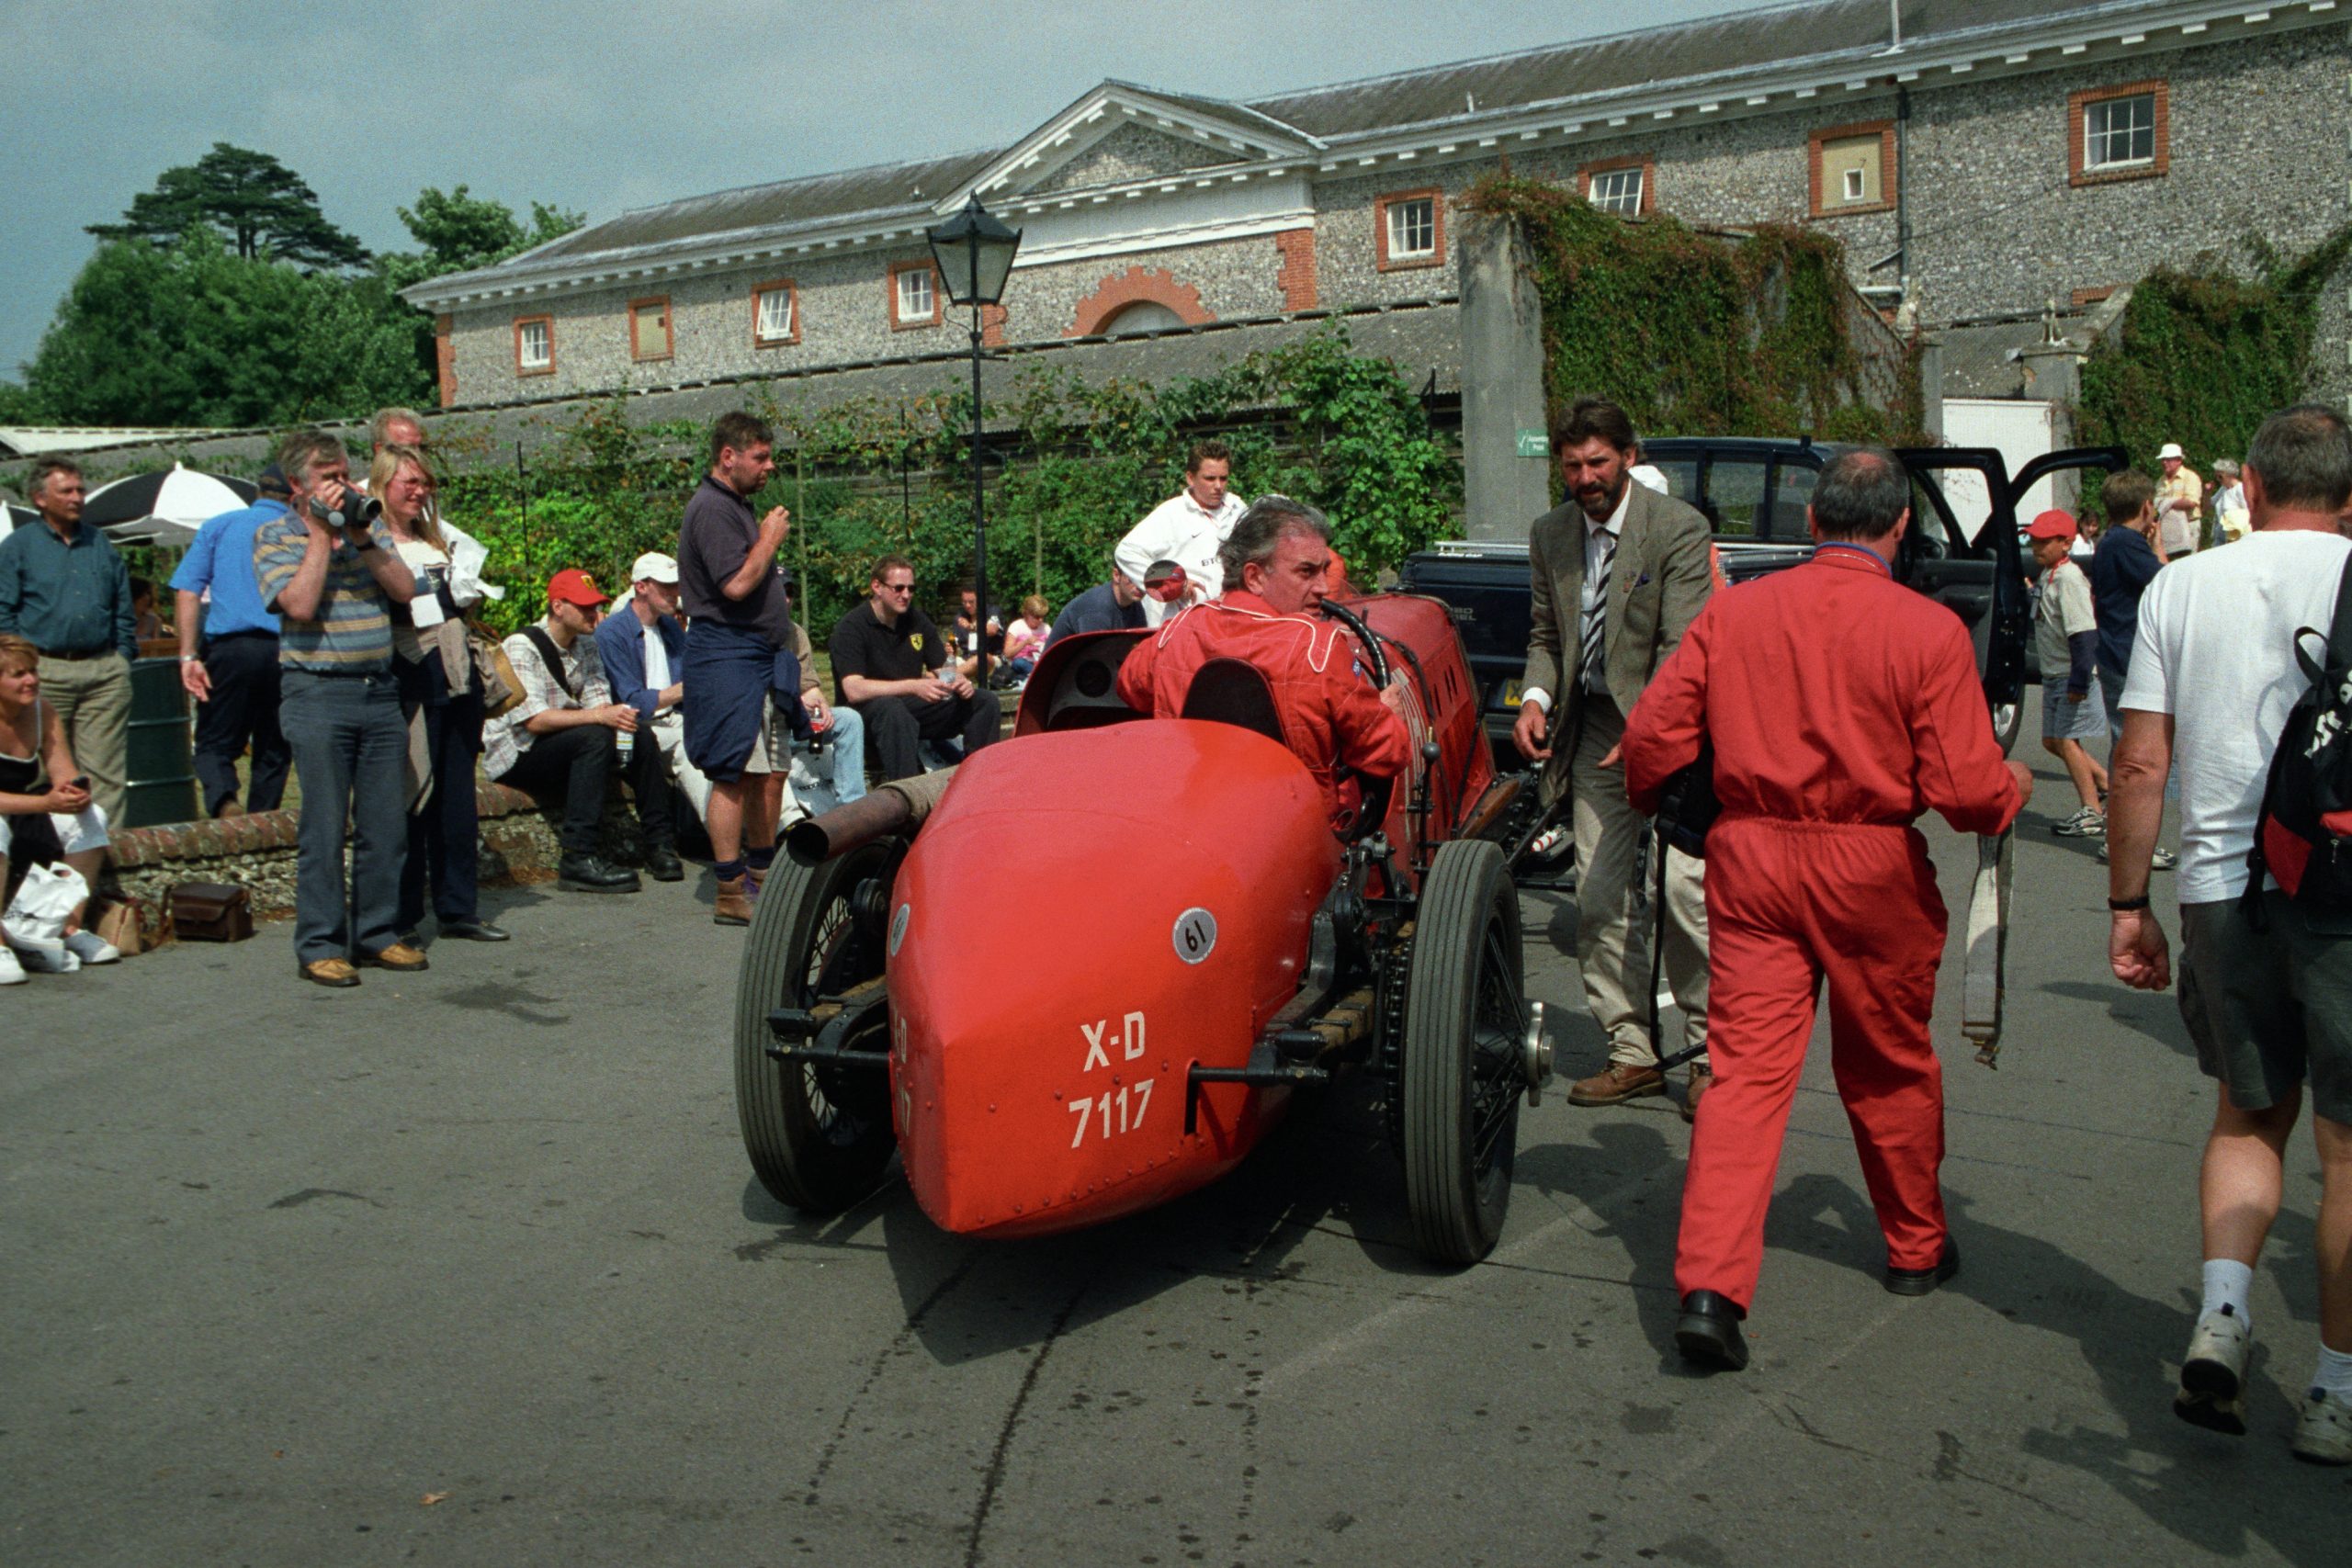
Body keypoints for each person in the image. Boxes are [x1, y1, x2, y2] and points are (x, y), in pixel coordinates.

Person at [1621, 446, 2034, 1371]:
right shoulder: (1928, 631)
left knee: (1745, 1077)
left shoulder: (1735, 614)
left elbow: (1650, 738)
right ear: (1897, 529)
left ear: (1811, 522)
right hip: (1870, 862)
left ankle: (1709, 1289)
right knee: (1886, 1063)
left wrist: (1661, 801)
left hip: (1753, 858)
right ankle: (1914, 1245)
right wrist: (2008, 789)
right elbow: (1965, 792)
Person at [2107, 404, 2352, 1465]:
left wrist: (2128, 904)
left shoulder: (2181, 585)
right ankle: (2337, 1390)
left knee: (2247, 1115)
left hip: (2217, 887)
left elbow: (2140, 764)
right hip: (2343, 894)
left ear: (2246, 487)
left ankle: (2221, 1315)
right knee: (2347, 1150)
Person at [1511, 397, 1716, 1120]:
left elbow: (1683, 646)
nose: (1585, 477)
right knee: (1598, 897)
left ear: (1629, 455)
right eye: (1571, 466)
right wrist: (1535, 698)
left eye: (1598, 461)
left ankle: (1706, 1056)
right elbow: (1545, 633)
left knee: (1683, 899)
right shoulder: (1550, 535)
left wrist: (1654, 733)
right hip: (1595, 727)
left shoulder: (1677, 529)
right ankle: (1632, 1051)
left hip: (1679, 726)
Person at [1115, 497, 1408, 828]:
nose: (1324, 587)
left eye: (1324, 570)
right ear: (1254, 577)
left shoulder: (1176, 632)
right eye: (1306, 572)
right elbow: (1387, 756)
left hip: (1187, 826)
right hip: (1298, 838)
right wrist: (1386, 712)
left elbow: (1129, 686)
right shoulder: (1319, 650)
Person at [252, 430, 424, 988]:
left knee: (385, 824)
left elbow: (404, 590)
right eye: (329, 477)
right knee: (324, 827)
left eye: (344, 473)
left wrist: (363, 537)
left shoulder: (368, 527)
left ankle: (376, 933)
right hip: (317, 691)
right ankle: (320, 943)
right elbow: (298, 604)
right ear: (299, 484)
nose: (342, 485)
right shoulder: (272, 534)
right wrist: (322, 535)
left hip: (377, 690)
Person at [375, 444, 504, 943]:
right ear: (383, 484)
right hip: (410, 673)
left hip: (456, 675)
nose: (419, 491)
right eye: (409, 482)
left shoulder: (440, 541)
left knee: (457, 795)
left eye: (424, 483)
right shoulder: (373, 545)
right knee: (414, 793)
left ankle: (458, 908)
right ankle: (402, 915)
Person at [677, 412, 796, 927]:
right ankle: (729, 889)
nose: (770, 466)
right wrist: (768, 539)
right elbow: (735, 586)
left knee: (770, 773)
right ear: (729, 456)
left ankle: (763, 876)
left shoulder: (736, 507)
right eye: (760, 457)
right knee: (730, 773)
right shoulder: (711, 509)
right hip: (726, 656)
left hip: (760, 658)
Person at [482, 570, 640, 895]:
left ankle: (660, 843)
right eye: (584, 607)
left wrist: (615, 718)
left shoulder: (587, 645)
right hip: (519, 752)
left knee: (639, 733)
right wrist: (599, 716)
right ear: (558, 607)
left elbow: (601, 703)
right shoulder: (522, 646)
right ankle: (578, 857)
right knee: (594, 737)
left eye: (595, 606)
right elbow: (534, 722)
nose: (593, 614)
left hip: (560, 743)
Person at [0, 457, 135, 831]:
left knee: (105, 775)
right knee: (45, 772)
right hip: (44, 669)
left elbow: (122, 605)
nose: (77, 498)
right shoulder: (18, 547)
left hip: (103, 670)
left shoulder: (100, 543)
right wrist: (21, 665)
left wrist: (122, 656)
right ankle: (43, 864)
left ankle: (107, 861)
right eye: (67, 491)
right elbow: (3, 612)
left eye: (80, 490)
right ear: (40, 498)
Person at [171, 465, 294, 818]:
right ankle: (264, 817)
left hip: (232, 648)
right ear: (294, 495)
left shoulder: (220, 525)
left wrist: (188, 655)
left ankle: (225, 801)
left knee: (213, 742)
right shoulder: (299, 530)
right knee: (274, 746)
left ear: (257, 491)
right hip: (286, 649)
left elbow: (188, 591)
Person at [0, 633, 119, 982]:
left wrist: (73, 794)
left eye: (33, 671)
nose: (31, 680)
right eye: (19, 674)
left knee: (92, 817)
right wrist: (45, 802)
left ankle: (67, 927)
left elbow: (62, 772)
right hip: (9, 812)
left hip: (21, 809)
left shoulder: (42, 709)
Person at [831, 555, 1001, 784]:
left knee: (984, 700)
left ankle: (979, 783)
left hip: (911, 707)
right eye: (898, 588)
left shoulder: (916, 620)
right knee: (892, 709)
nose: (906, 595)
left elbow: (942, 667)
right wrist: (914, 685)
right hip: (866, 715)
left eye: (911, 588)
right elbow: (853, 689)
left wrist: (958, 680)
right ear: (876, 586)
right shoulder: (852, 627)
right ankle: (911, 797)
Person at [2089, 471, 2179, 872]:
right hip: (2127, 656)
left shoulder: (2111, 541)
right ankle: (2127, 839)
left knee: (2123, 747)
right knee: (2136, 754)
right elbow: (2169, 585)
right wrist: (2159, 545)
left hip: (2113, 652)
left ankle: (2117, 833)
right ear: (2146, 507)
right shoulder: (2128, 543)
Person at [594, 552, 698, 882]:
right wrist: (683, 690)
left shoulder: (669, 628)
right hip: (636, 726)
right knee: (650, 744)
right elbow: (632, 699)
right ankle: (660, 846)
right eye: (666, 587)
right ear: (641, 587)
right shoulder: (612, 632)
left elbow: (691, 675)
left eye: (676, 586)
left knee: (722, 745)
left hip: (675, 720)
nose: (674, 593)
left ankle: (754, 837)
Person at [2026, 509, 2109, 836]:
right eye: (2033, 541)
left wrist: (2079, 679)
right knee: (2051, 741)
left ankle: (2091, 810)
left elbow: (2084, 634)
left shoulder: (2069, 578)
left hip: (2071, 674)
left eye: (2045, 542)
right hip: (2053, 673)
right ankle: (2104, 783)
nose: (2036, 548)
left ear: (2066, 543)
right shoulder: (2048, 575)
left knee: (2067, 740)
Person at [1114, 439, 1247, 626]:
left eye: (1223, 478)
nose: (1218, 486)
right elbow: (1127, 552)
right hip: (1181, 626)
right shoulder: (1171, 513)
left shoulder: (1237, 508)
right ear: (1190, 478)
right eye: (1210, 478)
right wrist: (1171, 585)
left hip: (1230, 620)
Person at [1047, 558, 1158, 644]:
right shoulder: (1096, 608)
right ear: (1116, 575)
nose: (1140, 586)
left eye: (1144, 581)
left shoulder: (1136, 607)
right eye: (1133, 579)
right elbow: (1096, 656)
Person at [2156, 441, 2205, 558]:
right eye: (2163, 459)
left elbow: (2191, 503)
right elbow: (2156, 502)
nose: (2164, 462)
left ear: (2179, 460)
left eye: (2168, 459)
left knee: (2188, 560)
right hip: (2168, 528)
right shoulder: (2161, 480)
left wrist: (2168, 503)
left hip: (2189, 525)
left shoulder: (2190, 477)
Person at [950, 581, 1004, 682]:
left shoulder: (993, 612)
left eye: (971, 602)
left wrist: (972, 627)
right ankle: (956, 676)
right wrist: (950, 647)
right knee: (941, 665)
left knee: (980, 658)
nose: (967, 605)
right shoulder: (959, 617)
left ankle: (947, 678)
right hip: (966, 660)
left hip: (991, 659)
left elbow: (992, 630)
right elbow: (953, 640)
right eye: (964, 602)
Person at [1002, 595, 1051, 678]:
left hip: (1040, 663)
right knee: (1019, 663)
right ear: (1026, 614)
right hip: (1022, 662)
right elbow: (1007, 654)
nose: (1040, 620)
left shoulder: (1046, 628)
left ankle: (1034, 676)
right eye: (1037, 617)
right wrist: (1025, 643)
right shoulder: (1016, 626)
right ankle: (1038, 676)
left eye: (1042, 617)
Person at [2210, 457, 2249, 543]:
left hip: (2235, 533)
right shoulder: (2223, 489)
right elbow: (2211, 503)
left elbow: (2247, 510)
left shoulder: (2240, 488)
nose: (2217, 479)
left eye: (2220, 476)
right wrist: (2207, 492)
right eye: (2216, 476)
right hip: (2220, 531)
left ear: (2229, 474)